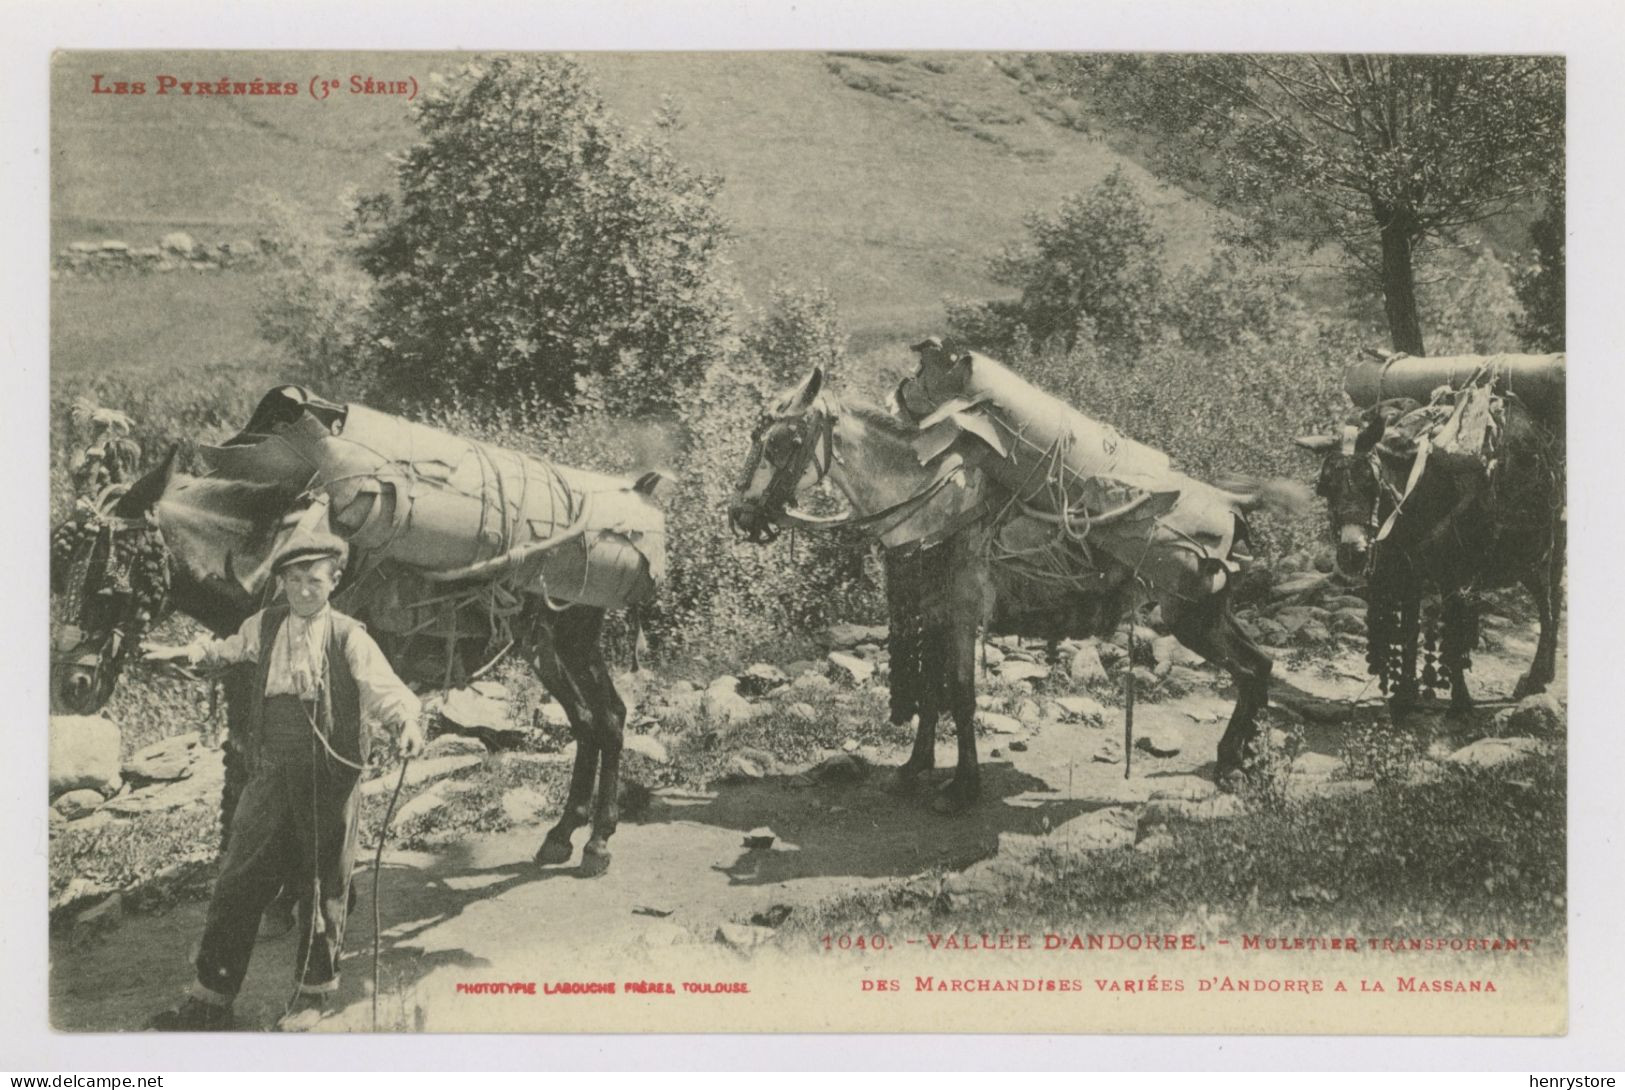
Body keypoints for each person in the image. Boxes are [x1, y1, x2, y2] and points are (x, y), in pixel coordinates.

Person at [145, 529, 424, 1031]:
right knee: (238, 879)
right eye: (293, 580)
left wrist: (406, 723)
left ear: (334, 582)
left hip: (329, 775)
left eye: (313, 580)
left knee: (321, 883)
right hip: (271, 769)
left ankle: (311, 1000)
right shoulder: (265, 625)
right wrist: (185, 655)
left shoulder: (348, 636)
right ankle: (210, 999)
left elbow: (387, 691)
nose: (302, 591)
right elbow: (226, 651)